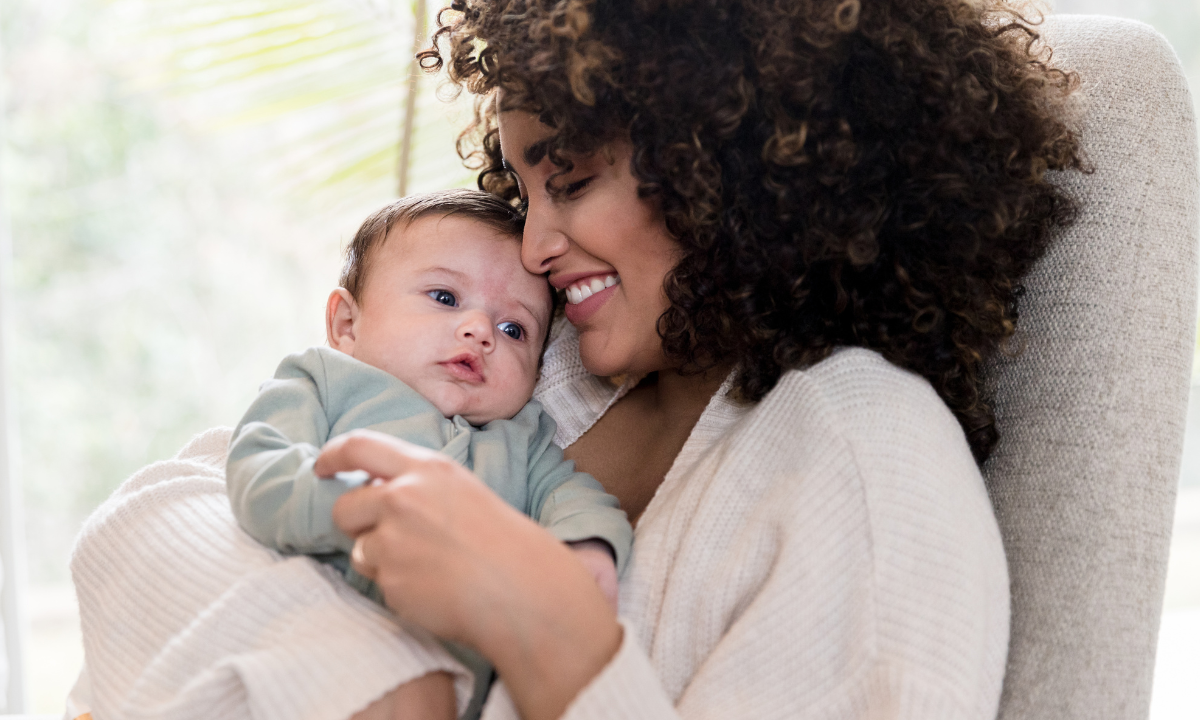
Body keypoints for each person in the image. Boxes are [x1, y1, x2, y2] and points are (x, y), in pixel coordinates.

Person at [67, 1, 1084, 719]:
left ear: (739, 160)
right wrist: (360, 678)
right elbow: (158, 516)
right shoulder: (555, 356)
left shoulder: (871, 461)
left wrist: (550, 632)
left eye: (574, 177)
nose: (534, 245)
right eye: (523, 188)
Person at [226, 189, 632, 720]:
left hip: (455, 674)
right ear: (348, 326)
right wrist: (352, 508)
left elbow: (577, 497)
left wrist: (587, 547)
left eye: (514, 329)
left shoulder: (521, 440)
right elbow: (257, 467)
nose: (480, 330)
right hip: (318, 629)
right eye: (444, 297)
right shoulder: (325, 382)